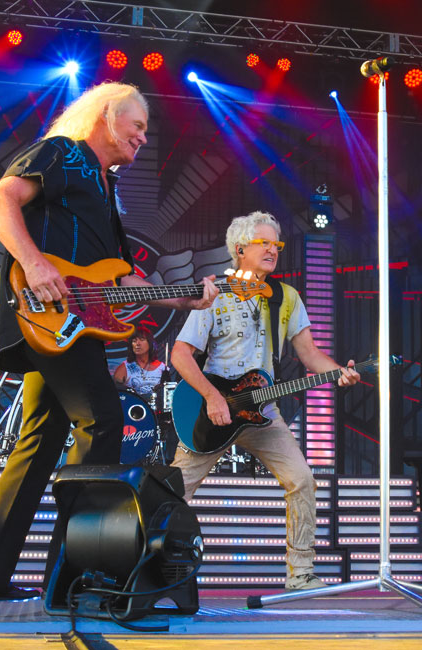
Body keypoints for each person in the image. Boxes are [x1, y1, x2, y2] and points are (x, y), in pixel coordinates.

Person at [0, 82, 218, 601]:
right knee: (102, 420)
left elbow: (124, 283)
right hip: (49, 315)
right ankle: (70, 576)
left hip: (77, 327)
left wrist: (186, 299)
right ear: (106, 115)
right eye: (136, 125)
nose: (143, 137)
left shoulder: (106, 187)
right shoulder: (62, 152)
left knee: (37, 444)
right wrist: (33, 261)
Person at [170, 211, 360, 591]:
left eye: (277, 244)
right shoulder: (216, 291)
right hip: (214, 411)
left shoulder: (286, 297)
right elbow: (180, 354)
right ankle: (156, 567)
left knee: (302, 479)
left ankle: (301, 574)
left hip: (262, 410)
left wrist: (338, 370)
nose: (273, 249)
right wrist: (211, 397)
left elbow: (308, 354)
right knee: (174, 490)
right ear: (240, 250)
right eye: (264, 243)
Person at [113, 326, 166, 397]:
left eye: (142, 339)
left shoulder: (163, 368)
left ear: (150, 343)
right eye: (134, 341)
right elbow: (116, 395)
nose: (137, 344)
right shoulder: (124, 368)